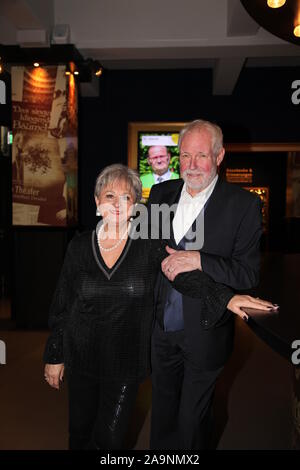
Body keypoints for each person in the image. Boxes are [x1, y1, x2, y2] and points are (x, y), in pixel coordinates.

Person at [43, 164, 275, 450]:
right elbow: (63, 303)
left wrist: (227, 298)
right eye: (109, 196)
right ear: (96, 201)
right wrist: (55, 354)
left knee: (110, 441)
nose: (117, 205)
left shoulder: (148, 245)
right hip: (82, 358)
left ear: (137, 205)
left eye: (126, 198)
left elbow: (182, 276)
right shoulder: (79, 247)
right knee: (79, 435)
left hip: (125, 363)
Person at [148, 119, 278, 450]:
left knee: (192, 420)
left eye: (201, 156)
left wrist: (200, 259)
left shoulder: (244, 205)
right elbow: (151, 255)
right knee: (162, 416)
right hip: (160, 331)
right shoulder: (161, 193)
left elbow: (247, 275)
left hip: (205, 332)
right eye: (185, 155)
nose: (191, 165)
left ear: (219, 156)